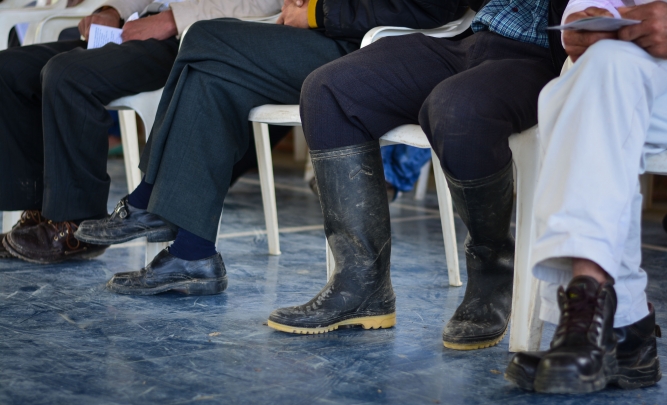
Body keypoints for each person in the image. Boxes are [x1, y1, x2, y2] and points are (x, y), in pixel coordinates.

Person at [74, 0, 473, 295]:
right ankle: (192, 254)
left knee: (204, 38)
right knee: (213, 77)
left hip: (374, 53)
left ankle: (149, 199)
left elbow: (430, 6)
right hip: (333, 36)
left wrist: (320, 12)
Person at [264, 0, 569, 351]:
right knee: (329, 90)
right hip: (474, 38)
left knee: (457, 110)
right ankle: (362, 285)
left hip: (547, 57)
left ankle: (493, 269)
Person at [504, 0, 667, 394]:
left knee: (579, 106)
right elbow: (590, 10)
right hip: (659, 62)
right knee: (590, 80)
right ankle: (615, 327)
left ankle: (606, 327)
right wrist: (585, 25)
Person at [0, 0, 283, 263]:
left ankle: (75, 224)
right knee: (9, 70)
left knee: (66, 75)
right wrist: (112, 9)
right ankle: (42, 210)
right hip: (139, 27)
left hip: (196, 38)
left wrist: (172, 20)